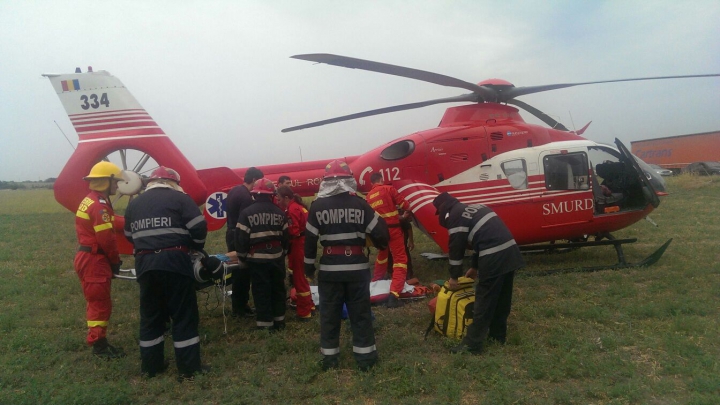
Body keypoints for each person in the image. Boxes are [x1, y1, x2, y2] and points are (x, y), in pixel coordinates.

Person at [123, 167, 209, 379]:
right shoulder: (181, 199)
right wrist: (195, 247)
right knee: (183, 315)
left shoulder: (134, 204)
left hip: (145, 264)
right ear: (174, 182)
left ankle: (151, 367)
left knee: (151, 316)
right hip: (175, 263)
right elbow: (199, 227)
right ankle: (189, 369)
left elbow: (128, 235)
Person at [304, 160, 389, 371]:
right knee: (360, 314)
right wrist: (377, 243)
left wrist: (308, 270)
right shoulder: (360, 204)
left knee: (329, 315)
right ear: (349, 180)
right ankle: (366, 359)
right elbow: (382, 233)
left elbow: (309, 243)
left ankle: (330, 360)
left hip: (329, 271)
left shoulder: (316, 206)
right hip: (357, 270)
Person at [433, 192, 525, 355]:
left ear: (443, 210)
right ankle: (498, 336)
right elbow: (480, 238)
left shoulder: (455, 215)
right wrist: (475, 267)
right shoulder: (473, 207)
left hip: (494, 256)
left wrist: (454, 277)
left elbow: (456, 249)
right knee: (502, 297)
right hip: (510, 252)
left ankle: (472, 345)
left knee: (484, 301)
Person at [73, 161, 127, 359]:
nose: (117, 186)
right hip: (95, 260)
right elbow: (107, 238)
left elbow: (110, 221)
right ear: (106, 181)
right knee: (99, 304)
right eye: (115, 182)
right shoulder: (99, 205)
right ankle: (99, 345)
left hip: (88, 257)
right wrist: (115, 260)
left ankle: (99, 341)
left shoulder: (91, 199)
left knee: (97, 302)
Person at [235, 178, 289, 331]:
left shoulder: (246, 213)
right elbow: (286, 238)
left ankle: (265, 324)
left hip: (257, 260)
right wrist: (282, 253)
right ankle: (280, 321)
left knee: (261, 291)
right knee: (278, 289)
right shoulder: (280, 213)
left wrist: (243, 257)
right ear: (272, 194)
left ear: (255, 194)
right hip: (277, 257)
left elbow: (240, 238)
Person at [365, 172, 411, 308]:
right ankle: (394, 294)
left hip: (379, 232)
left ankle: (375, 282)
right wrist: (404, 214)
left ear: (371, 183)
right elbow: (405, 205)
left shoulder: (368, 197)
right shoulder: (388, 189)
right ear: (381, 179)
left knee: (382, 255)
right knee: (400, 260)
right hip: (394, 229)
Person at [225, 167, 264, 317]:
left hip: (230, 232)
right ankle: (240, 307)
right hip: (239, 236)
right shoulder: (247, 197)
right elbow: (245, 222)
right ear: (254, 180)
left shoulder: (235, 190)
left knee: (237, 270)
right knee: (243, 271)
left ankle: (240, 304)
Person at [276, 185, 315, 321]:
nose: (278, 201)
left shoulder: (292, 209)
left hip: (298, 245)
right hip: (305, 243)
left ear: (286, 198)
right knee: (303, 278)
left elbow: (293, 231)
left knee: (299, 280)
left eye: (279, 199)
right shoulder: (299, 206)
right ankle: (310, 306)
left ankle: (304, 313)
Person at [387, 208, 415, 280]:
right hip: (389, 235)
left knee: (403, 251)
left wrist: (411, 241)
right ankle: (391, 272)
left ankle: (408, 273)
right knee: (389, 253)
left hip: (400, 235)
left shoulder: (399, 218)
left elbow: (408, 227)